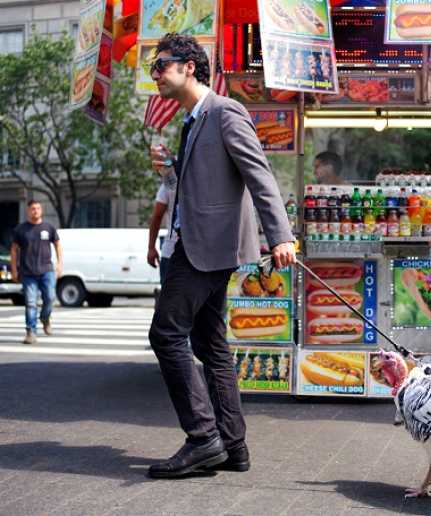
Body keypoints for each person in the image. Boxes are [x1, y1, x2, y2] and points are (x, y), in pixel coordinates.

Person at [146, 34, 296, 479]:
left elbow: (260, 176)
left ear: (189, 67)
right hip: (196, 243)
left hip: (209, 247)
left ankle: (202, 437)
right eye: (152, 69)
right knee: (209, 343)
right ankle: (233, 446)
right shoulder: (191, 121)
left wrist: (280, 236)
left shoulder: (225, 111)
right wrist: (170, 172)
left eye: (161, 66)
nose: (155, 75)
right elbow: (194, 190)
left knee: (166, 333)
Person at [10, 200, 62, 345]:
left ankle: (45, 317)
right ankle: (31, 332)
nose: (35, 211)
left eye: (38, 208)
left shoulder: (49, 227)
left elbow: (58, 246)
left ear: (41, 210)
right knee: (31, 302)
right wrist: (14, 270)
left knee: (51, 297)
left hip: (46, 270)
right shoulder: (21, 229)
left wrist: (59, 265)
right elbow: (14, 250)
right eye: (33, 208)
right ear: (28, 210)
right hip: (27, 272)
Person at [147, 182, 179, 283]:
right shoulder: (169, 185)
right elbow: (157, 216)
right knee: (169, 296)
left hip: (197, 255)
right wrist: (151, 247)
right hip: (171, 251)